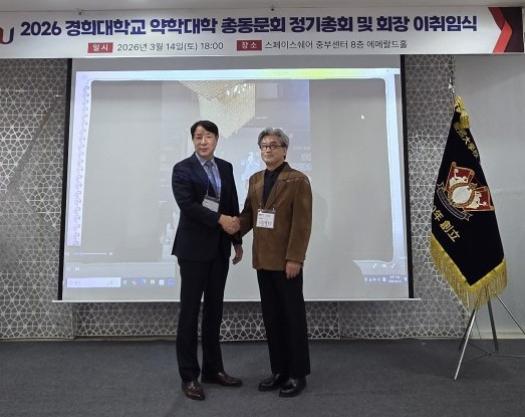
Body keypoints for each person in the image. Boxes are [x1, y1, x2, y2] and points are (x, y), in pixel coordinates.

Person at [172, 120, 243, 401]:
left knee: (215, 311)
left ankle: (213, 370)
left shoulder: (225, 167)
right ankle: (189, 376)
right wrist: (219, 220)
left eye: (208, 136)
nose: (203, 141)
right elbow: (188, 206)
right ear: (193, 140)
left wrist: (236, 240)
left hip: (219, 250)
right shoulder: (182, 169)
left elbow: (231, 204)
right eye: (198, 137)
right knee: (189, 314)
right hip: (192, 251)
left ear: (216, 139)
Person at [239, 127, 312, 397]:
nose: (267, 149)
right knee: (272, 319)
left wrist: (295, 258)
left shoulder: (298, 180)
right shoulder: (255, 179)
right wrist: (232, 231)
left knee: (293, 318)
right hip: (263, 260)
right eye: (263, 146)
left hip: (286, 263)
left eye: (273, 145)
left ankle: (297, 374)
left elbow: (302, 224)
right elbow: (248, 215)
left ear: (284, 150)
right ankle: (279, 370)